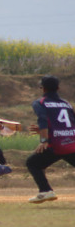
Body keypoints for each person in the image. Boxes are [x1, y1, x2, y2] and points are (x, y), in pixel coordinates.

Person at [26, 75, 75, 203]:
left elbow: (42, 120)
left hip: (57, 145)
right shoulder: (66, 104)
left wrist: (44, 140)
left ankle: (46, 191)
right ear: (58, 88)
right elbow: (69, 123)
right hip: (72, 142)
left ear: (42, 88)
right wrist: (48, 131)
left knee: (33, 163)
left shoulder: (40, 103)